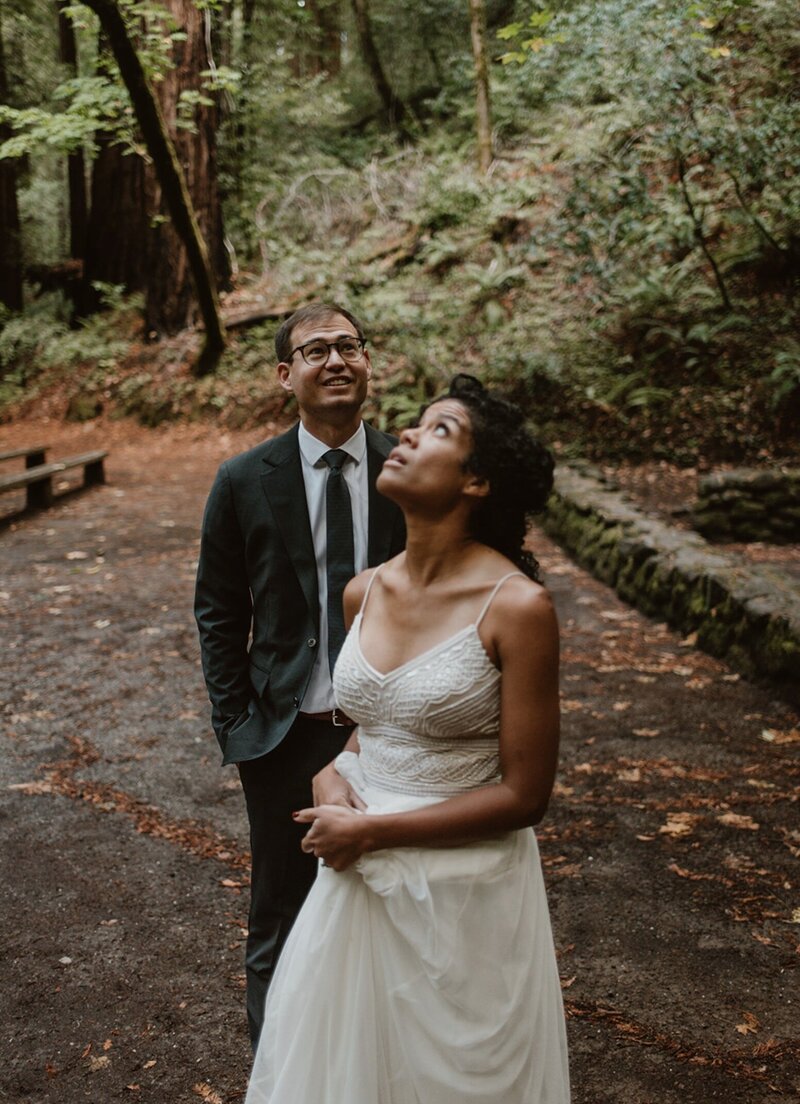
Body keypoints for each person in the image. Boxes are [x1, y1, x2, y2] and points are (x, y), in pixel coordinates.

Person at [245, 374, 570, 1104]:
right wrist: (334, 770)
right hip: (356, 880)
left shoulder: (517, 607)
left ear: (477, 481)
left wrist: (377, 832)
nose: (410, 436)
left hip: (465, 893)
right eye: (417, 424)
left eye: (440, 432)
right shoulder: (363, 591)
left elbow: (525, 796)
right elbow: (376, 723)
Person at [194, 302, 406, 1048]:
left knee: (390, 908)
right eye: (317, 350)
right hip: (286, 734)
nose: (338, 360)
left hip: (392, 734)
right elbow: (219, 610)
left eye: (350, 345)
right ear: (286, 375)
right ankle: (276, 1073)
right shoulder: (245, 478)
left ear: (369, 361)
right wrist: (237, 723)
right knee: (279, 916)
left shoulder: (407, 472)